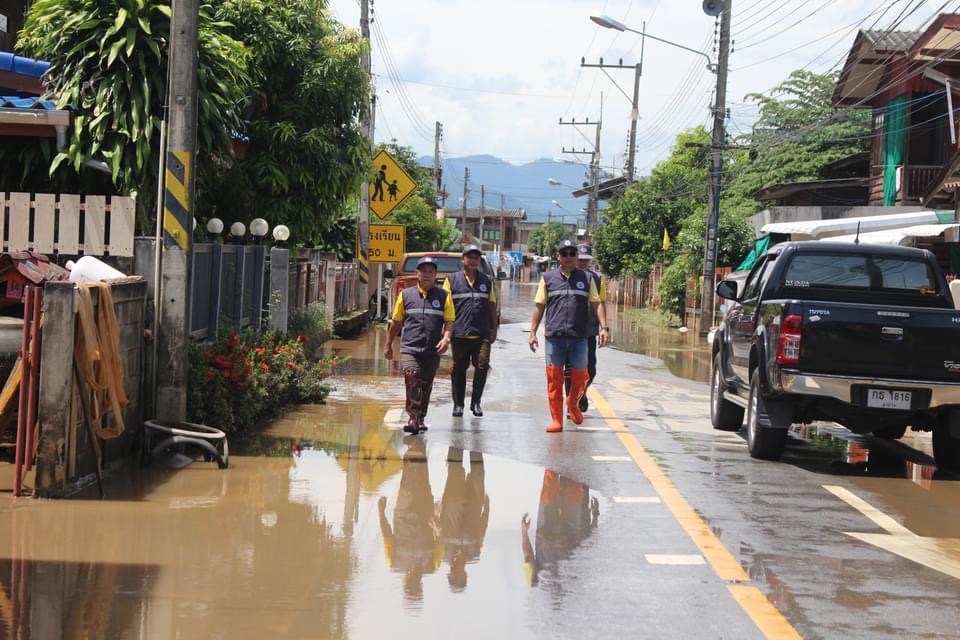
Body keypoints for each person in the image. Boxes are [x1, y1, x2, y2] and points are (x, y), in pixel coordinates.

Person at [528, 239, 609, 433]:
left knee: (582, 375)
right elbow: (539, 306)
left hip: (579, 337)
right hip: (554, 337)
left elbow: (597, 303)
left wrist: (604, 327)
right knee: (554, 379)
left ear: (576, 256)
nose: (569, 257)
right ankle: (557, 420)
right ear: (558, 257)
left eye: (573, 253)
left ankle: (573, 402)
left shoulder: (587, 279)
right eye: (565, 254)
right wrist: (533, 332)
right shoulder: (548, 278)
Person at [384, 256, 454, 433]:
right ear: (417, 274)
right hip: (410, 347)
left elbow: (449, 321)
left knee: (425, 383)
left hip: (432, 349)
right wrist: (388, 344)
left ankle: (421, 417)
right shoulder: (405, 295)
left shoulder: (444, 296)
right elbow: (396, 322)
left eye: (431, 271)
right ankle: (413, 418)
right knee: (412, 377)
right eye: (424, 271)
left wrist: (446, 339)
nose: (427, 274)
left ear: (436, 274)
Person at [443, 244, 498, 417]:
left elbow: (492, 305)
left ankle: (476, 403)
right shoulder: (451, 280)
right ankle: (458, 404)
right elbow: (445, 307)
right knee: (459, 368)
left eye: (476, 257)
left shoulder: (487, 280)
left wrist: (494, 328)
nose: (473, 260)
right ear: (463, 259)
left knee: (482, 365)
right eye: (470, 257)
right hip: (459, 333)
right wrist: (445, 331)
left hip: (482, 333)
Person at [438, 447, 489, 592]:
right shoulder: (474, 553)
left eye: (450, 577)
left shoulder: (444, 553)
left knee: (454, 468)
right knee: (478, 471)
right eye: (456, 577)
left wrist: (440, 506)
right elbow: (482, 529)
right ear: (464, 575)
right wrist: (487, 508)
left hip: (453, 499)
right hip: (475, 500)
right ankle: (476, 441)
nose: (452, 573)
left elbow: (438, 526)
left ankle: (455, 439)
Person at [565, 244, 607, 413]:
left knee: (590, 369)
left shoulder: (596, 279)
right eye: (580, 259)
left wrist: (604, 327)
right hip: (570, 331)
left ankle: (580, 393)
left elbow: (601, 303)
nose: (582, 263)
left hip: (589, 331)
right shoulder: (566, 276)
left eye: (586, 260)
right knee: (570, 370)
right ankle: (571, 404)